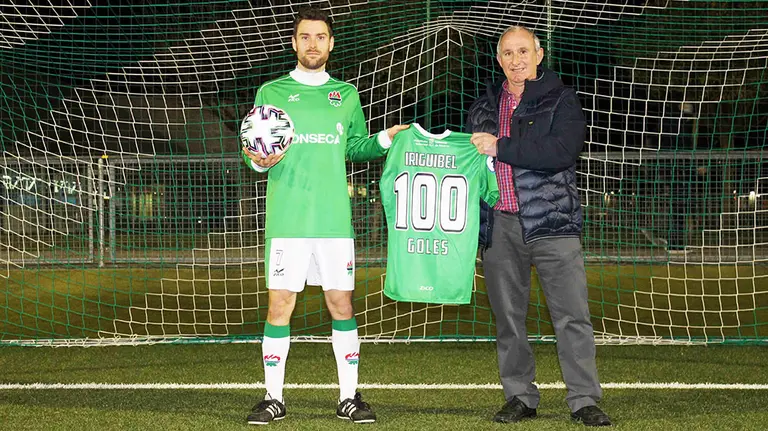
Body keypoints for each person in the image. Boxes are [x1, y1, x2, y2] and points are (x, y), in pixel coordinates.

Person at [241, 7, 407, 425]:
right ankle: (273, 398)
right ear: (294, 42)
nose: (312, 44)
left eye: (320, 37)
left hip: (333, 220)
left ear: (331, 44)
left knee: (341, 304)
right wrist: (259, 161)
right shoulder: (271, 92)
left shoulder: (346, 94)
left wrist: (385, 138)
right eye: (305, 36)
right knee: (280, 305)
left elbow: (354, 147)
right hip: (288, 219)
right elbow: (254, 150)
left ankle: (349, 397)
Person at [467, 26, 612, 427]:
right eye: (508, 53)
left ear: (539, 54)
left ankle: (583, 400)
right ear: (499, 59)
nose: (516, 60)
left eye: (523, 51)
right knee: (508, 319)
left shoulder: (561, 99)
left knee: (572, 316)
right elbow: (468, 165)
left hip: (553, 224)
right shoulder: (482, 108)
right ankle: (519, 397)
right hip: (500, 226)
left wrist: (500, 146)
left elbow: (561, 151)